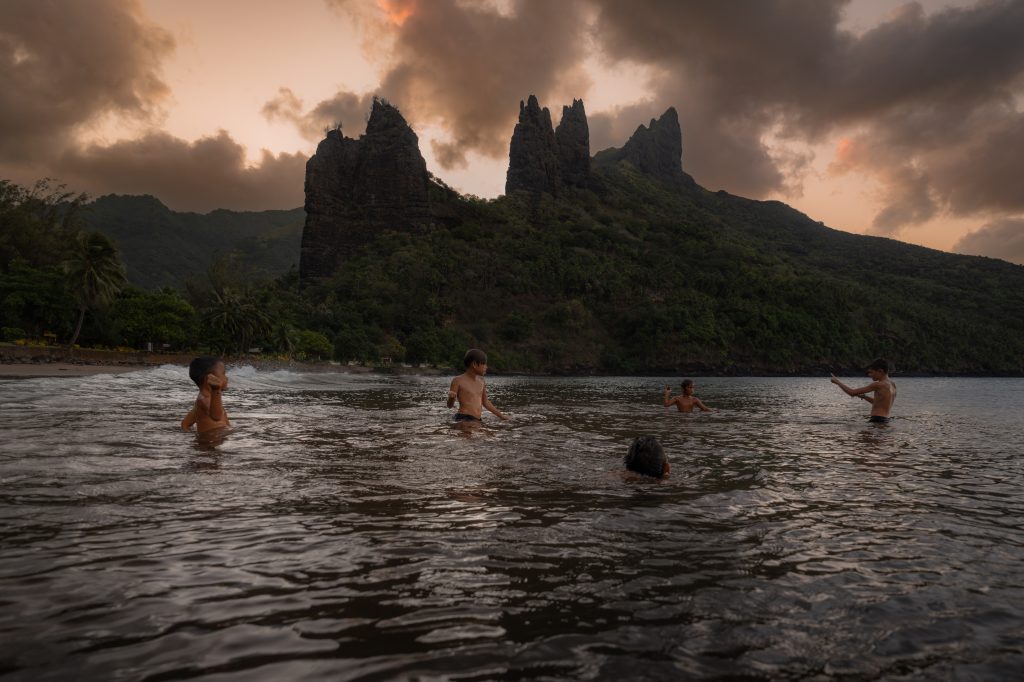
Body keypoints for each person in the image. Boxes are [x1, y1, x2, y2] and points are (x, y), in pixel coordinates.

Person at [447, 348, 508, 423]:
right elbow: (450, 406)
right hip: (463, 418)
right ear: (475, 364)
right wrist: (451, 398)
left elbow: (485, 402)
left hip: (477, 419)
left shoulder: (481, 381)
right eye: (484, 364)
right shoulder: (458, 380)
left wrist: (501, 416)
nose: (486, 367)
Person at [831, 358, 897, 423]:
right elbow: (879, 403)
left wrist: (837, 382)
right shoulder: (892, 385)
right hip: (886, 420)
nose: (870, 375)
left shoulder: (879, 384)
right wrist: (864, 397)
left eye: (872, 372)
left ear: (880, 371)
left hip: (877, 419)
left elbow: (852, 392)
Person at [181, 357, 231, 433]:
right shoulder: (204, 399)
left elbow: (185, 424)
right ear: (210, 378)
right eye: (223, 374)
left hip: (214, 442)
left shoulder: (202, 400)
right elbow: (216, 416)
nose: (226, 378)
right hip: (209, 444)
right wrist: (216, 390)